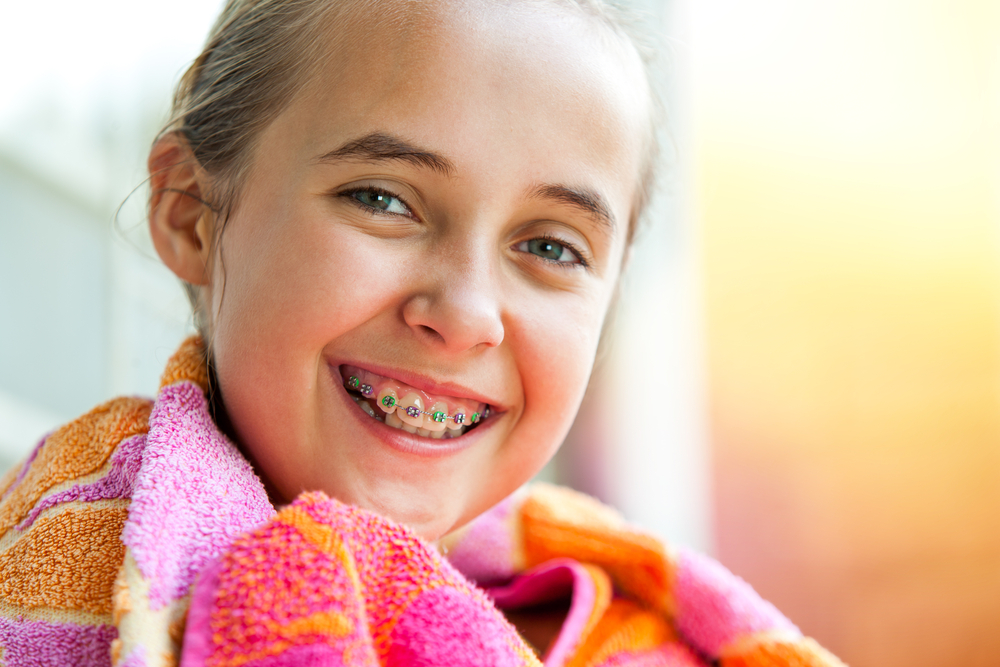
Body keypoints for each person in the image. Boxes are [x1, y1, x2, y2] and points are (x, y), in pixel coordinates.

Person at [0, 1, 845, 665]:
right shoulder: (69, 568)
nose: (467, 312)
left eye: (551, 247)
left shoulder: (638, 625)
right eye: (383, 199)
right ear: (189, 212)